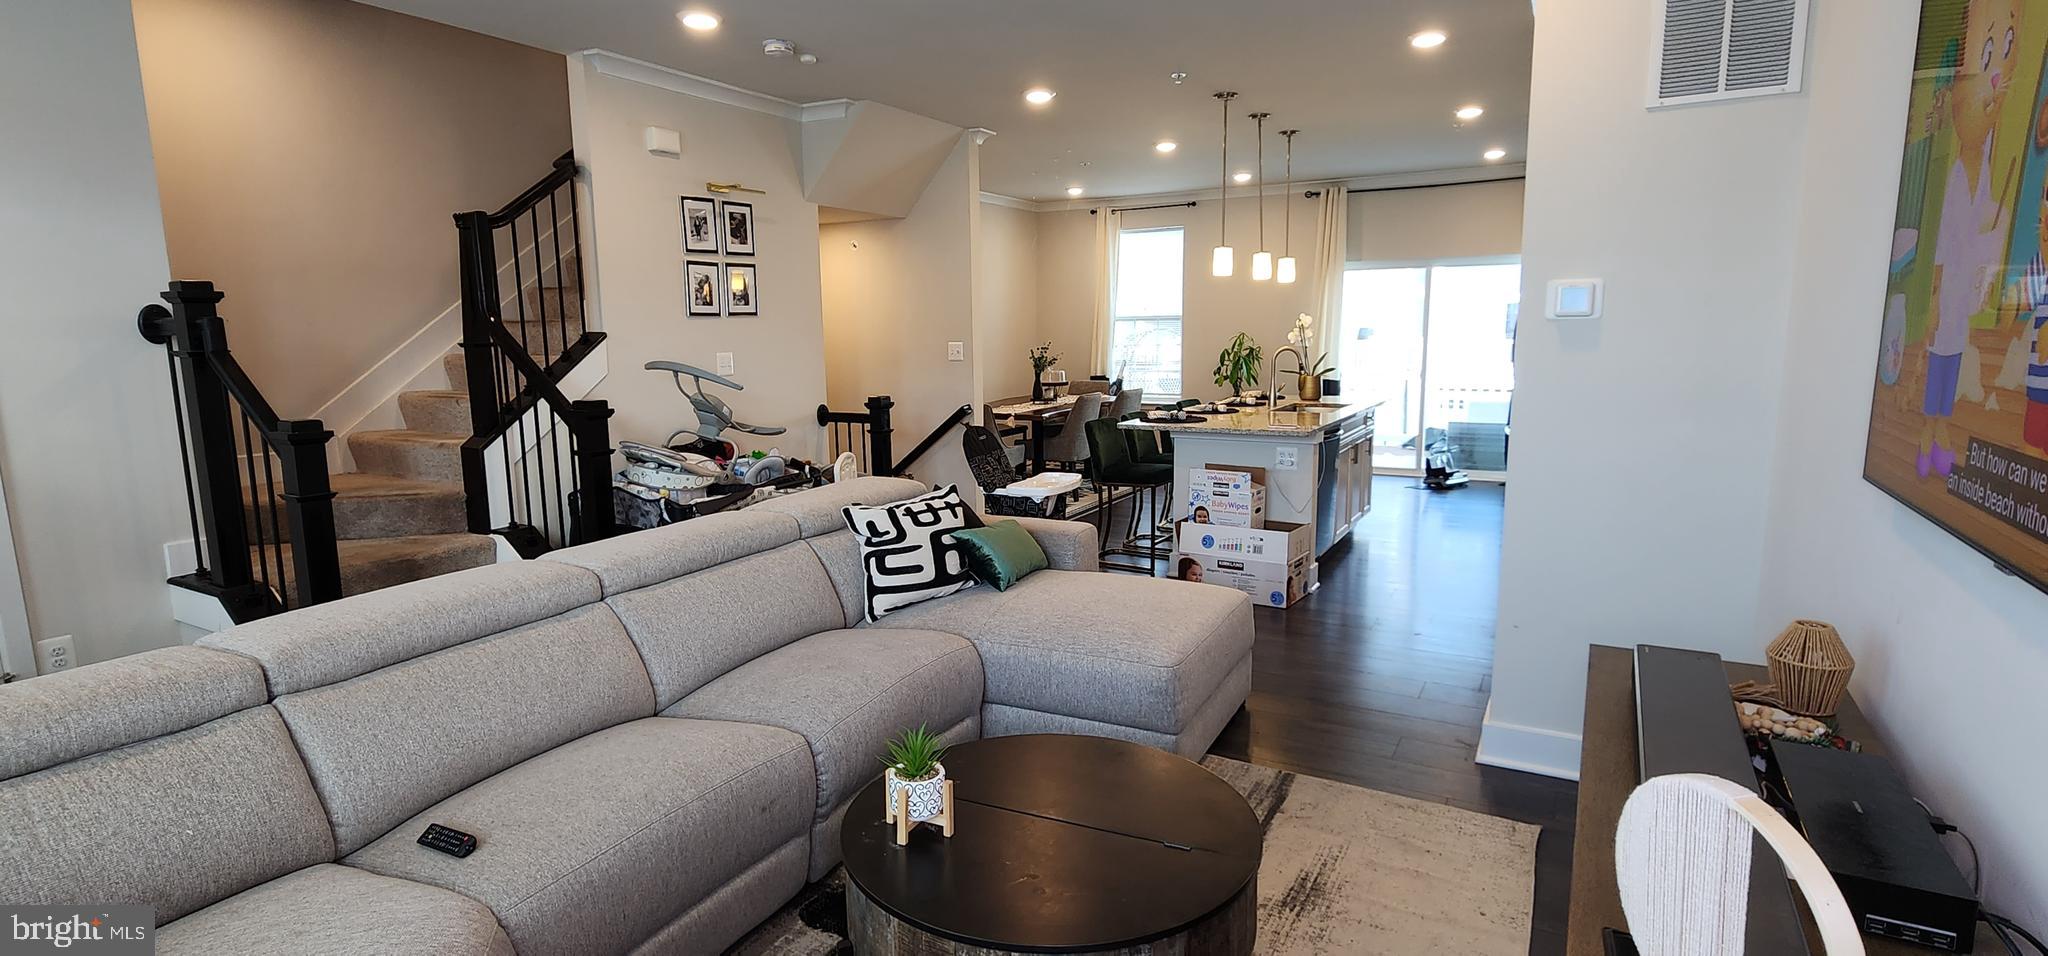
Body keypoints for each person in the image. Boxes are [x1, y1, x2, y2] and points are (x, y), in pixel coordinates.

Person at [1922, 0, 2025, 477]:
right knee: (1939, 356)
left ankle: (1939, 430)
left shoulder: (1981, 164)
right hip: (1948, 285)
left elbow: (1983, 213)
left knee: (1954, 353)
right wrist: (1935, 298)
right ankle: (1930, 434)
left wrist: (1999, 219)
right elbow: (1944, 241)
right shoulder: (1951, 176)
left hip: (1963, 285)